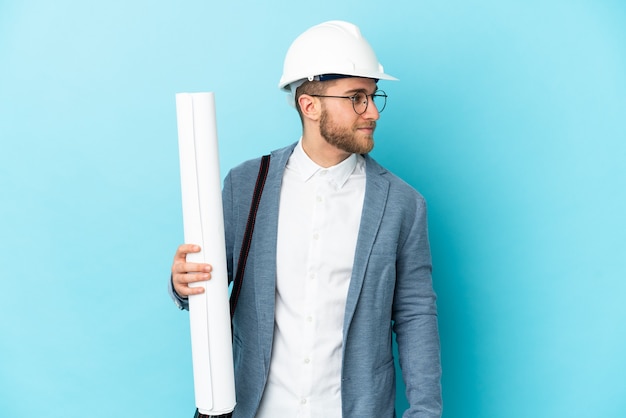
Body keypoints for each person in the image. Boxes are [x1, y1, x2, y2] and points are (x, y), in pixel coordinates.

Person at [170, 20, 442, 418]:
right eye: (356, 98)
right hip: (256, 407)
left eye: (372, 96)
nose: (372, 113)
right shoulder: (247, 184)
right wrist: (183, 283)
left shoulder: (402, 203)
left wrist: (425, 410)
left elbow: (416, 313)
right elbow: (208, 281)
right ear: (309, 104)